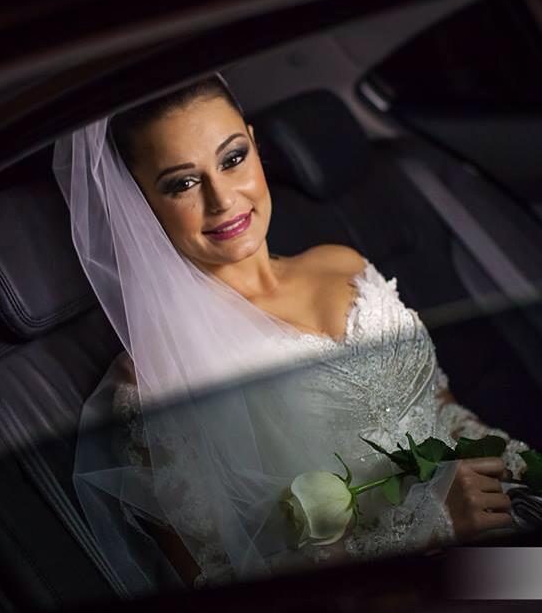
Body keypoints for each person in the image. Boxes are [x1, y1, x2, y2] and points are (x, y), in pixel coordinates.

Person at [53, 74, 529, 598]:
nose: (222, 199)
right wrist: (430, 526)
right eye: (183, 183)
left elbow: (442, 410)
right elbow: (226, 582)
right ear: (139, 204)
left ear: (255, 147)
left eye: (233, 158)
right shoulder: (158, 380)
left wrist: (518, 466)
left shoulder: (341, 263)